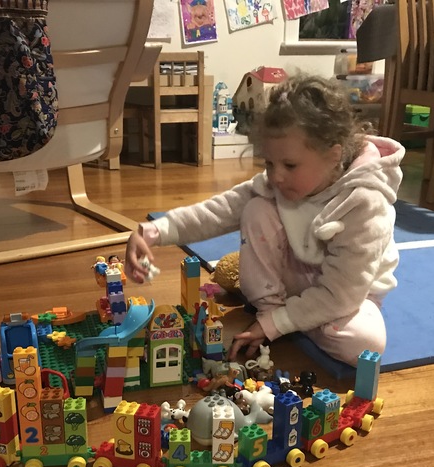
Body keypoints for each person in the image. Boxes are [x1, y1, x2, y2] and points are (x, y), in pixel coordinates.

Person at [125, 73, 404, 367]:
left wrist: (275, 325)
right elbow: (218, 211)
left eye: (290, 165)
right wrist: (153, 231)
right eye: (269, 163)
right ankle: (276, 311)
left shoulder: (364, 202)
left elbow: (342, 295)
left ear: (334, 155)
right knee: (256, 209)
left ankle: (285, 318)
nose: (276, 175)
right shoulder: (279, 182)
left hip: (346, 294)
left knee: (365, 348)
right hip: (299, 280)